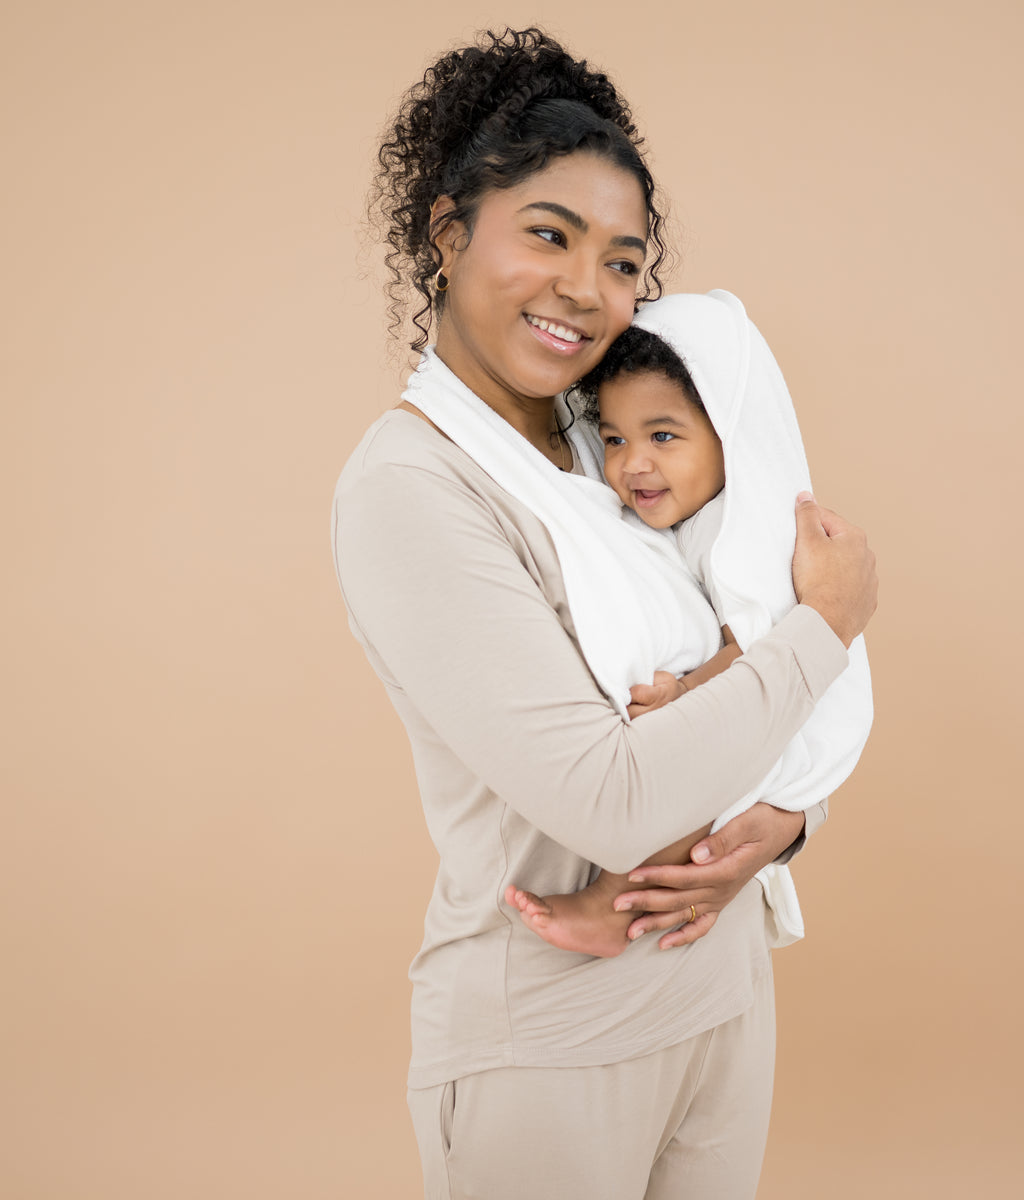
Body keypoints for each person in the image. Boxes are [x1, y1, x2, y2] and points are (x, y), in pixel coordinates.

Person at [332, 27, 877, 1200]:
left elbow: (744, 628)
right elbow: (609, 793)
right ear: (445, 230)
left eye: (624, 261)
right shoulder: (413, 490)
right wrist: (825, 629)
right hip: (552, 1039)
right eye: (548, 235)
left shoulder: (616, 436)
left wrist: (778, 829)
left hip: (717, 989)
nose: (587, 288)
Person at [504, 294, 874, 960]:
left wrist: (684, 693)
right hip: (772, 710)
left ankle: (610, 907)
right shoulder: (689, 521)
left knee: (703, 791)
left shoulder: (747, 531)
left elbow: (756, 646)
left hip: (799, 723)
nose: (632, 463)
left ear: (728, 436)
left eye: (663, 436)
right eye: (614, 439)